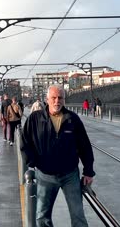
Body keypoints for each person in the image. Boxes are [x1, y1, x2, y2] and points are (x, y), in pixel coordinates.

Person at [22, 85, 95, 227]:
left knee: (78, 215)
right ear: (47, 99)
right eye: (53, 98)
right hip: (45, 175)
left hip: (70, 175)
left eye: (60, 98)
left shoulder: (72, 119)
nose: (57, 101)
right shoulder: (35, 119)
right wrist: (32, 162)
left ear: (64, 99)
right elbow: (25, 143)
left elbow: (84, 146)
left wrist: (88, 171)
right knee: (42, 217)